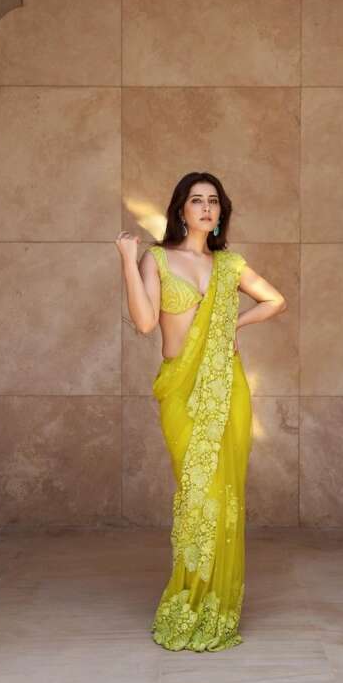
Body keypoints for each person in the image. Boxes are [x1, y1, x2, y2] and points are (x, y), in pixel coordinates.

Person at [116, 171, 287, 652]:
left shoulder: (229, 264)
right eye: (197, 200)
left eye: (214, 201)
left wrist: (234, 325)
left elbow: (276, 301)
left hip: (225, 387)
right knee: (197, 496)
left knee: (223, 496)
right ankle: (187, 599)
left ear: (220, 212)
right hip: (180, 389)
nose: (207, 208)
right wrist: (128, 261)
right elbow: (145, 323)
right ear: (181, 209)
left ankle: (216, 604)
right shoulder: (157, 259)